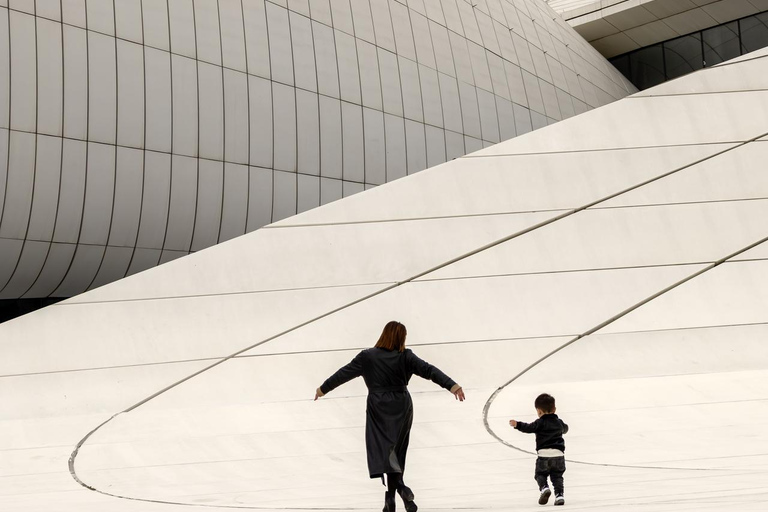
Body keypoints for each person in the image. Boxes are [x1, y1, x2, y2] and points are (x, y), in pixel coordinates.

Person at [315, 321, 465, 512]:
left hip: (378, 406)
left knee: (384, 452)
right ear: (401, 338)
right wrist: (452, 385)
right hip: (402, 405)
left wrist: (323, 389)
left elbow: (343, 374)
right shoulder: (406, 356)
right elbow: (429, 370)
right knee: (397, 452)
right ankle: (393, 497)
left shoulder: (367, 356)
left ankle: (399, 491)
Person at [509, 393, 568, 506]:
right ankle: (559, 495)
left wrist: (517, 425)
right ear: (554, 409)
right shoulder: (559, 422)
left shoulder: (540, 423)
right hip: (559, 455)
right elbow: (565, 429)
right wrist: (564, 429)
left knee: (540, 475)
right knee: (557, 477)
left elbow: (529, 428)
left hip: (544, 455)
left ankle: (544, 488)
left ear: (539, 411)